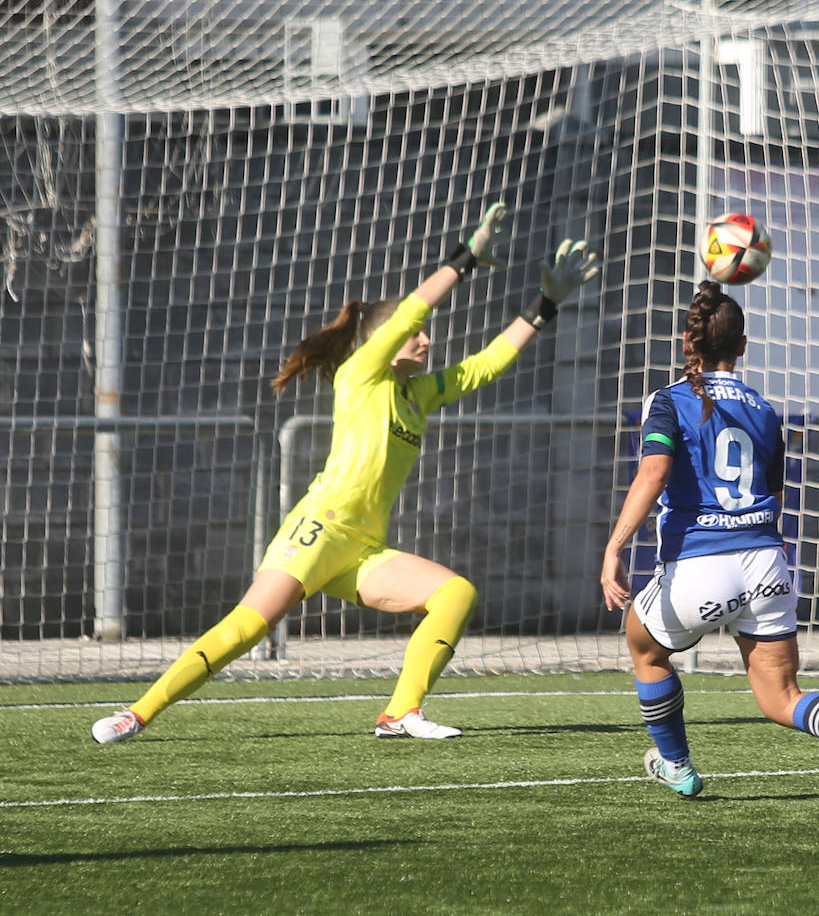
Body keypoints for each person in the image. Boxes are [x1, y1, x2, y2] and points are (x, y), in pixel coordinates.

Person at [93, 203, 599, 743]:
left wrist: (546, 304)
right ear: (381, 343)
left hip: (361, 549)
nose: (425, 340)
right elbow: (410, 312)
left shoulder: (417, 395)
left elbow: (486, 364)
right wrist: (465, 260)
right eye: (416, 335)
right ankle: (137, 712)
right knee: (247, 628)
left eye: (425, 335)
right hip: (319, 530)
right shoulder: (360, 376)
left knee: (455, 593)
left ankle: (400, 713)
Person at [600, 280, 819, 814]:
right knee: (782, 696)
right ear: (743, 346)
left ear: (689, 341)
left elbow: (654, 472)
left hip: (703, 563)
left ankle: (677, 767)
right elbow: (773, 495)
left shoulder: (668, 400)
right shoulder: (765, 409)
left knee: (644, 646)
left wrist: (615, 546)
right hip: (768, 562)